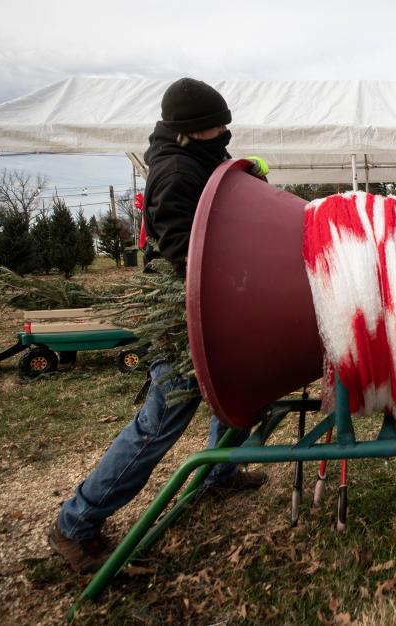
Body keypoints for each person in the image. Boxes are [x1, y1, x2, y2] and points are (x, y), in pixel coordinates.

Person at [48, 78, 268, 573]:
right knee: (160, 422)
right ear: (190, 131)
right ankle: (75, 524)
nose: (225, 130)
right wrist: (235, 281)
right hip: (184, 313)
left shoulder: (201, 155)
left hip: (216, 305)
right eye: (217, 124)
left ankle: (221, 472)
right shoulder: (172, 173)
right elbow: (184, 252)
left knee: (234, 383)